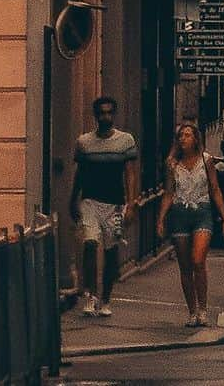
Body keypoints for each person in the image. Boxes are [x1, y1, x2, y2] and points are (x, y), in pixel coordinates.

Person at [69, 95, 139, 317]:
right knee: (90, 243)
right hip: (90, 200)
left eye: (109, 112)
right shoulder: (84, 143)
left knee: (111, 251)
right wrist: (73, 198)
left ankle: (106, 298)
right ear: (96, 115)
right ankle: (90, 295)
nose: (106, 116)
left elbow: (130, 173)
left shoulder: (125, 141)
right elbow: (79, 173)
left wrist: (131, 203)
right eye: (102, 113)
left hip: (115, 204)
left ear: (114, 114)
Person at [156, 121, 224, 327]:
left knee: (198, 260)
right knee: (185, 266)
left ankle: (203, 309)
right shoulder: (172, 164)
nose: (183, 139)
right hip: (179, 215)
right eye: (181, 136)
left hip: (202, 212)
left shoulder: (206, 161)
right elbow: (169, 193)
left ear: (196, 139)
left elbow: (215, 189)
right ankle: (192, 311)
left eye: (187, 135)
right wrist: (161, 219)